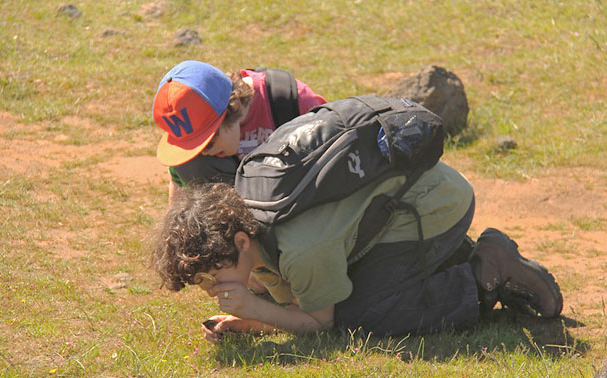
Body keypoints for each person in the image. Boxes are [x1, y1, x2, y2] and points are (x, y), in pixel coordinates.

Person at [150, 160, 564, 340]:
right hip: (413, 196)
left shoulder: (299, 250)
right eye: (199, 282)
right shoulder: (252, 228)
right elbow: (295, 301)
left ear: (240, 243)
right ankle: (452, 256)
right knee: (345, 292)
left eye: (210, 274)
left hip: (438, 203)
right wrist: (256, 322)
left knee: (361, 314)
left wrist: (257, 312)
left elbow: (322, 322)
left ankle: (484, 273)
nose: (208, 287)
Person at [152, 60, 327, 202]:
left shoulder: (291, 101)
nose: (207, 151)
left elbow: (337, 151)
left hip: (297, 194)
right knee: (191, 164)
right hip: (244, 201)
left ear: (230, 110)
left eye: (208, 142)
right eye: (195, 146)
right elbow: (177, 181)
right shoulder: (196, 116)